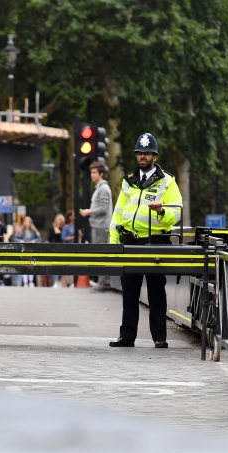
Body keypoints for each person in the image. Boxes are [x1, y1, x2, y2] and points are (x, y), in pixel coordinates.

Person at [109, 132, 182, 349]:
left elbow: (177, 212)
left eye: (147, 153)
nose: (143, 156)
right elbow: (118, 213)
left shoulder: (167, 182)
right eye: (140, 153)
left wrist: (161, 212)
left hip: (155, 241)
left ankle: (159, 337)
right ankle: (127, 336)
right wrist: (114, 243)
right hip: (130, 241)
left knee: (156, 291)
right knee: (129, 291)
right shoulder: (128, 182)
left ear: (155, 157)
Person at [81, 160, 113, 291]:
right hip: (98, 225)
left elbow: (104, 208)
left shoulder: (103, 189)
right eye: (91, 172)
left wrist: (89, 211)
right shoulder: (99, 188)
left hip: (102, 226)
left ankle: (104, 283)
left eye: (94, 172)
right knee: (99, 253)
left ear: (101, 173)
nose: (92, 175)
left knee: (102, 254)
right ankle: (102, 282)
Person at [12, 216, 41, 286]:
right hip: (24, 250)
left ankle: (31, 281)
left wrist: (35, 241)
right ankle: (25, 282)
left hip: (31, 250)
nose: (27, 223)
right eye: (26, 222)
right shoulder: (21, 231)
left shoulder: (34, 231)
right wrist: (19, 240)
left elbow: (39, 239)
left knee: (31, 265)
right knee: (24, 265)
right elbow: (14, 239)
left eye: (28, 222)